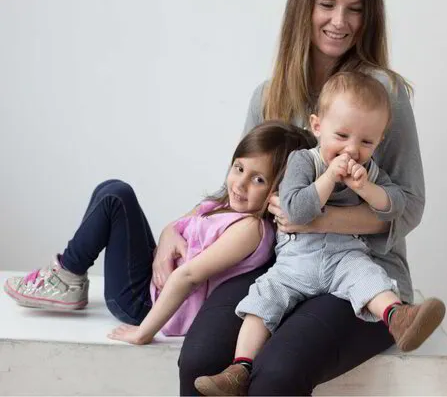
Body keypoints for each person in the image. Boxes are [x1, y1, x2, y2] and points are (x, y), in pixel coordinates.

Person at [177, 0, 428, 396]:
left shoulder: (384, 93)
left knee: (277, 373)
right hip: (281, 266)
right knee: (199, 359)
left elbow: (409, 206)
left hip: (361, 273)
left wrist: (318, 217)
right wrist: (174, 231)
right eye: (327, 5)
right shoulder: (269, 96)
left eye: (354, 9)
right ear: (303, 7)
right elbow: (240, 191)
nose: (340, 21)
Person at [194, 71, 445, 396]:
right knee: (262, 301)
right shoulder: (303, 161)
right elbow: (297, 209)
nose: (352, 149)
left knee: (368, 278)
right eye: (341, 136)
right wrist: (329, 179)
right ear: (317, 127)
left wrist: (366, 187)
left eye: (366, 142)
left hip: (343, 257)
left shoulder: (368, 172)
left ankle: (399, 317)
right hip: (295, 263)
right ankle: (240, 368)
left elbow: (396, 205)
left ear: (378, 142)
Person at [4, 122, 316, 343]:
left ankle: (67, 275)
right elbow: (174, 227)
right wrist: (166, 243)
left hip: (144, 304)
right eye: (239, 168)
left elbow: (189, 276)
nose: (241, 183)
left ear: (280, 190)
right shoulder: (221, 205)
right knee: (110, 189)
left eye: (259, 180)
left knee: (117, 197)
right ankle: (69, 276)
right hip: (151, 284)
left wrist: (145, 332)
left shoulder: (249, 229)